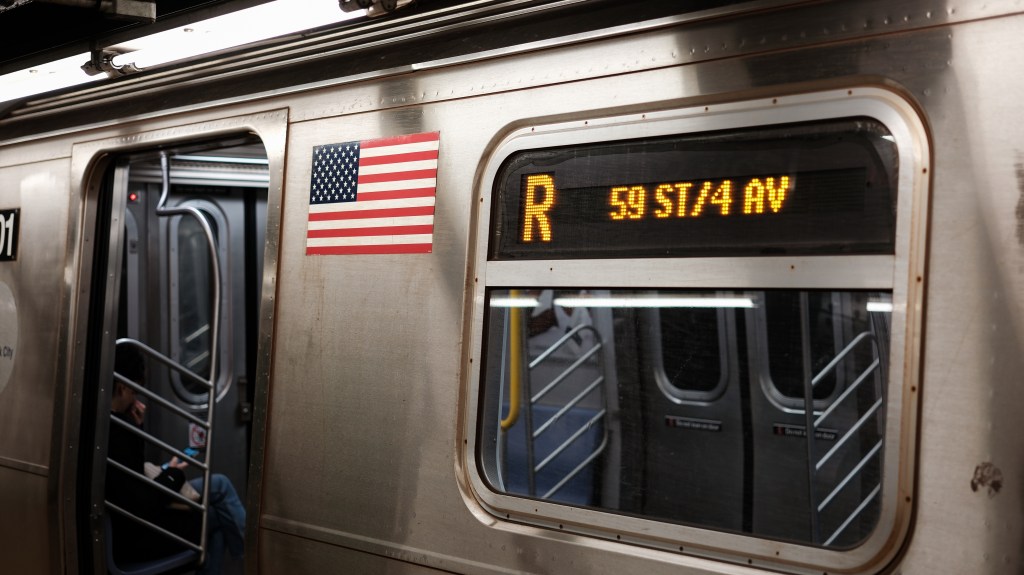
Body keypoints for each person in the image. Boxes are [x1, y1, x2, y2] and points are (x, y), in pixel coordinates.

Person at [106, 346, 245, 574]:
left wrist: (138, 429)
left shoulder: (111, 424)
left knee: (218, 495)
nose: (135, 400)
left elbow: (132, 481)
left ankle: (244, 557)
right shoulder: (117, 432)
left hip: (134, 522)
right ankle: (250, 558)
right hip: (138, 537)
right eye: (134, 392)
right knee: (217, 517)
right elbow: (142, 504)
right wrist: (174, 474)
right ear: (122, 387)